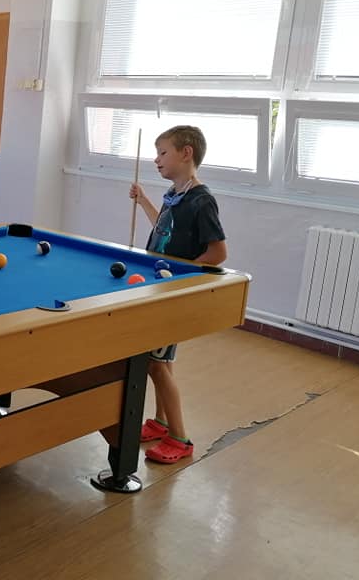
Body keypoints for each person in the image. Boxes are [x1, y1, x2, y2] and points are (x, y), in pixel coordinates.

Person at [129, 125, 227, 464]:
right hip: (160, 289)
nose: (156, 160)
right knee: (163, 361)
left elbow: (218, 252)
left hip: (173, 294)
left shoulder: (201, 200)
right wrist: (144, 200)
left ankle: (180, 437)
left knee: (155, 364)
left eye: (162, 152)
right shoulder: (175, 194)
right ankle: (161, 422)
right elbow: (164, 229)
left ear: (186, 153)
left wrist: (183, 273)